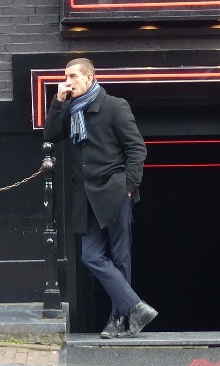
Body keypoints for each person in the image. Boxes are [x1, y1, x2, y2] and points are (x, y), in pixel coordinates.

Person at [44, 57, 156, 338]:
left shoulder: (115, 106)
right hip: (86, 196)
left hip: (114, 191)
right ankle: (135, 307)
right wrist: (58, 102)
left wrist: (128, 187)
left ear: (90, 78)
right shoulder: (70, 109)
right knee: (91, 256)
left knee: (121, 258)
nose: (67, 81)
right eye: (65, 76)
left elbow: (137, 149)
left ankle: (117, 321)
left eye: (72, 76)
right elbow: (51, 134)